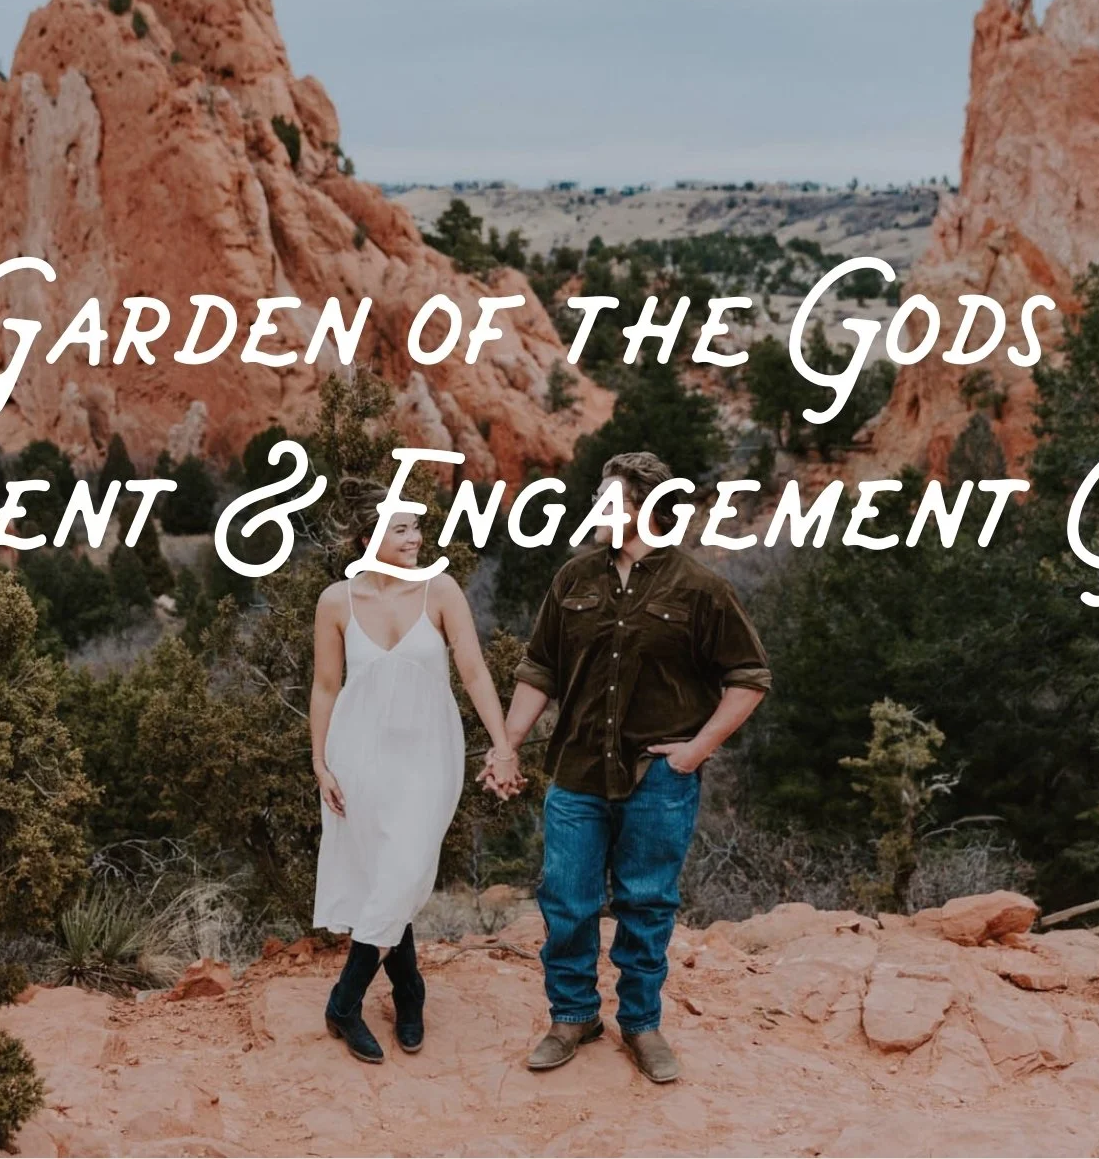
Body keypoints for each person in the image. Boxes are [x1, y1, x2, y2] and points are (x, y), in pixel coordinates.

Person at [481, 451, 771, 1084]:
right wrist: (507, 745)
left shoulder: (700, 588)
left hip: (659, 779)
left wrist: (696, 751)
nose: (596, 513)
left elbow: (749, 679)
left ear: (648, 512)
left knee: (646, 906)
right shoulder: (573, 579)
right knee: (568, 903)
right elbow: (540, 671)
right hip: (577, 774)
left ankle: (641, 1026)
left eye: (610, 503)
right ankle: (573, 1017)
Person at [311, 478, 524, 1063]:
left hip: (430, 756)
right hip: (360, 756)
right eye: (401, 528)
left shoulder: (441, 589)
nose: (415, 537)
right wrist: (320, 763)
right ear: (367, 536)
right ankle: (408, 992)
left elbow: (476, 673)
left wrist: (502, 745)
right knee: (386, 876)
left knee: (405, 865)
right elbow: (326, 686)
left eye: (416, 526)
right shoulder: (337, 601)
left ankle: (344, 1000)